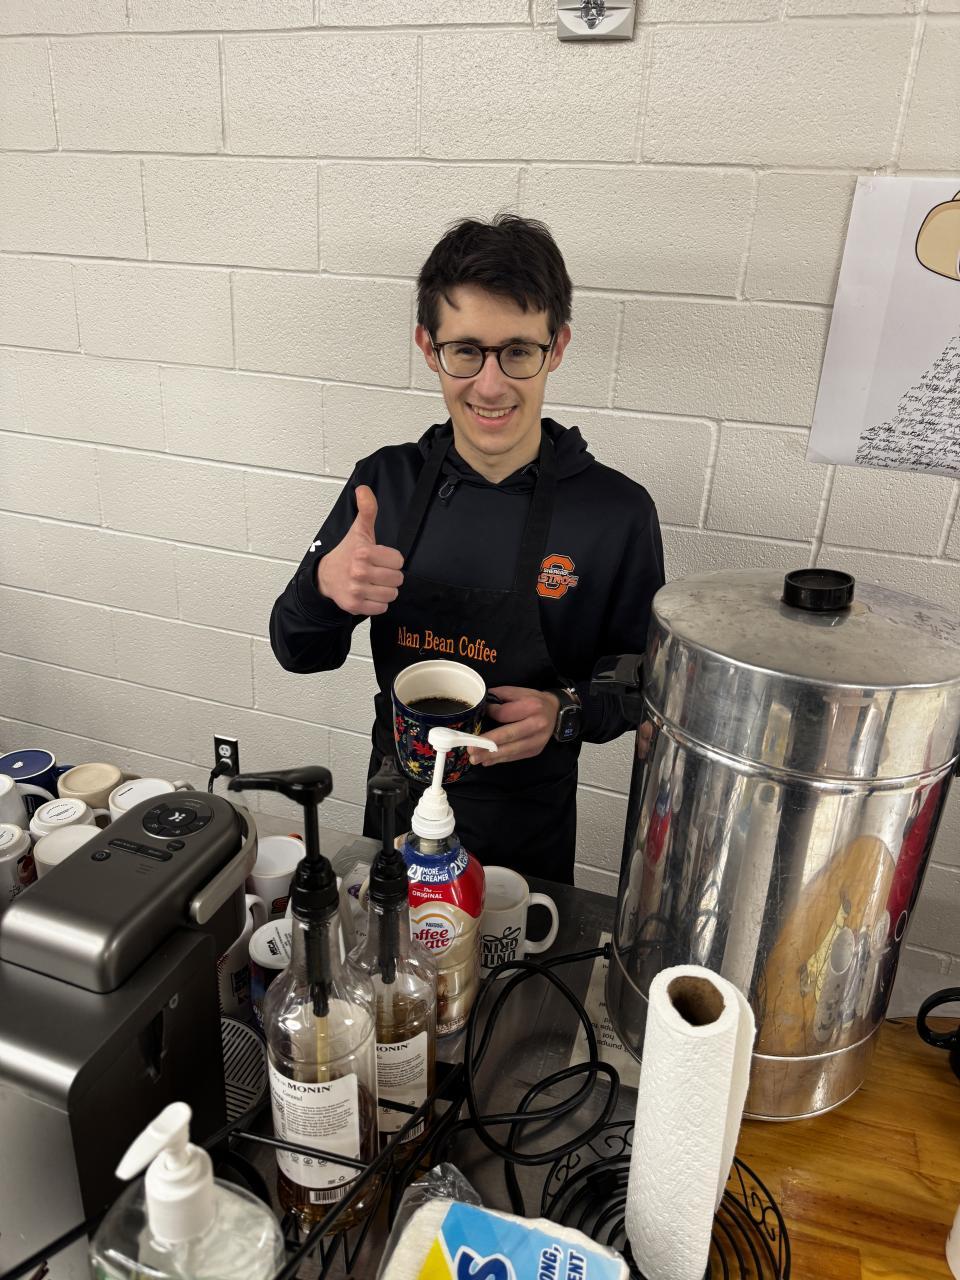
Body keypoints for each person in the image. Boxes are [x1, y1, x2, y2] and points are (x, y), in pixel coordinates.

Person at [270, 214, 664, 884]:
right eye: (465, 351)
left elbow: (646, 683)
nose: (490, 385)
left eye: (518, 351)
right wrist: (323, 590)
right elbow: (297, 650)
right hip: (397, 810)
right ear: (429, 348)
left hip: (529, 826)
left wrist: (566, 712)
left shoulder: (616, 512)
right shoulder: (384, 485)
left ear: (557, 348)